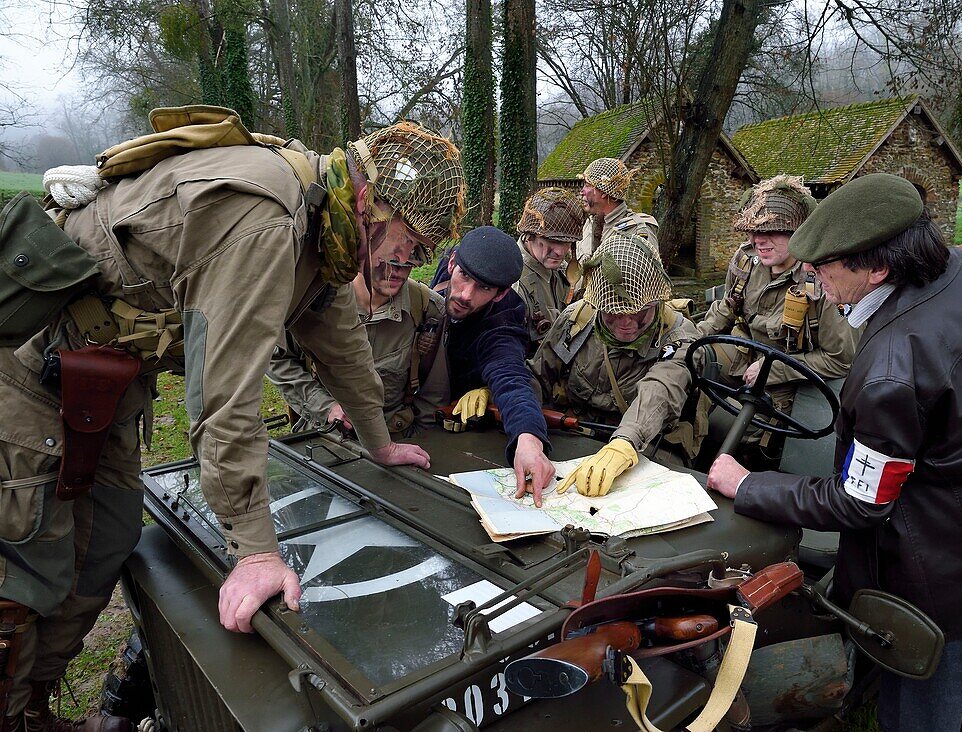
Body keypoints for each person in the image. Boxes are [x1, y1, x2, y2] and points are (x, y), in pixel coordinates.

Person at [0, 118, 464, 731]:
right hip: (32, 372)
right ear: (372, 200)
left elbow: (343, 343)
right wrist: (255, 552)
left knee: (108, 535)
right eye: (409, 238)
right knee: (26, 568)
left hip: (104, 381)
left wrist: (378, 443)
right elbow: (224, 398)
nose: (410, 257)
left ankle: (32, 707)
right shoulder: (270, 224)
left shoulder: (325, 228)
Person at [706, 173, 962, 732]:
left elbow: (858, 502)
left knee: (923, 712)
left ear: (879, 267)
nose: (813, 279)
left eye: (825, 268)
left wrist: (747, 484)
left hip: (949, 580)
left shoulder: (891, 368)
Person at [529, 232, 704, 498]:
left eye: (639, 313)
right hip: (576, 436)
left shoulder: (679, 338)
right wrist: (500, 394)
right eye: (615, 313)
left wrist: (624, 442)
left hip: (651, 447)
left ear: (655, 301)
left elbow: (662, 389)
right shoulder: (577, 321)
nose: (627, 323)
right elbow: (538, 375)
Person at [698, 175, 857, 462]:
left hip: (791, 377)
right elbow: (727, 308)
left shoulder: (823, 282)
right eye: (754, 231)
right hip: (741, 353)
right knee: (688, 371)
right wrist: (692, 340)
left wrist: (773, 368)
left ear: (800, 233)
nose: (759, 241)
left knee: (747, 436)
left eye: (774, 231)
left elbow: (840, 358)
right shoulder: (746, 260)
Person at [434, 226, 557, 506]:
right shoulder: (450, 270)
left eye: (484, 288)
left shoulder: (503, 322)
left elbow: (511, 379)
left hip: (459, 417)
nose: (466, 294)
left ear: (500, 294)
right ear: (452, 263)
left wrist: (528, 440)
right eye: (464, 276)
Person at [268, 261, 449, 437]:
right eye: (388, 260)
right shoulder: (312, 297)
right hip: (323, 435)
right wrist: (323, 406)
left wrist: (418, 441)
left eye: (409, 262)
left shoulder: (425, 308)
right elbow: (275, 359)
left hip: (394, 434)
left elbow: (433, 394)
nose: (398, 272)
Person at [512, 187, 585, 352]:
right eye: (551, 240)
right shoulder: (513, 283)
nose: (560, 252)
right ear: (530, 235)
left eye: (566, 242)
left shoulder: (561, 271)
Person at [575, 158, 662, 266]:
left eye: (587, 185)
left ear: (603, 192)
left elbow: (649, 279)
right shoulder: (589, 223)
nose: (581, 191)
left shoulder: (638, 231)